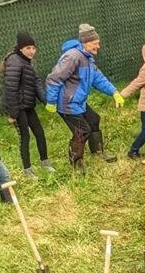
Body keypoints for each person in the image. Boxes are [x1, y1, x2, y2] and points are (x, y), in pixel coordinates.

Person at [44, 23, 122, 169]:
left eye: (98, 43)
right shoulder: (72, 57)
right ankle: (76, 164)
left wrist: (114, 92)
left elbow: (98, 78)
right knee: (82, 131)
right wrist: (51, 101)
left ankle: (98, 152)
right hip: (67, 103)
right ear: (86, 43)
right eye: (95, 43)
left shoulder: (88, 58)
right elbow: (54, 78)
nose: (98, 46)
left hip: (78, 101)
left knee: (94, 120)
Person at [2, 32, 54, 177]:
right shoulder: (14, 61)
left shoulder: (25, 61)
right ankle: (27, 170)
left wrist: (46, 102)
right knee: (25, 137)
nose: (32, 51)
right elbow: (10, 89)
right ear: (20, 48)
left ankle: (45, 163)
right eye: (28, 48)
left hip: (28, 105)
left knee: (39, 133)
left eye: (33, 48)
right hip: (18, 107)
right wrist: (13, 114)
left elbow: (36, 83)